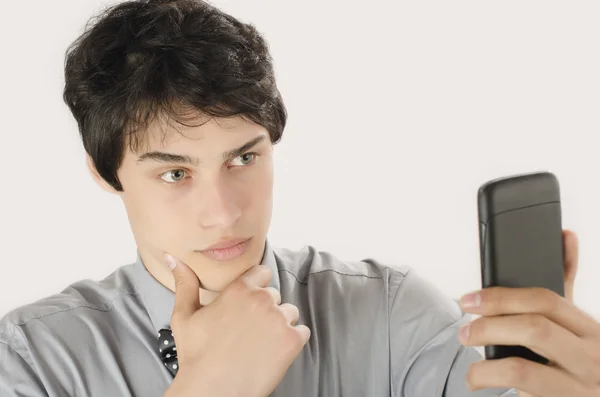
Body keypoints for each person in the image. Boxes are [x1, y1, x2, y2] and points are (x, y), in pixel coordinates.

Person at [1, 1, 598, 396]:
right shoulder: (30, 362)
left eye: (244, 158)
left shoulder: (395, 318)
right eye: (175, 174)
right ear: (107, 176)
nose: (225, 213)